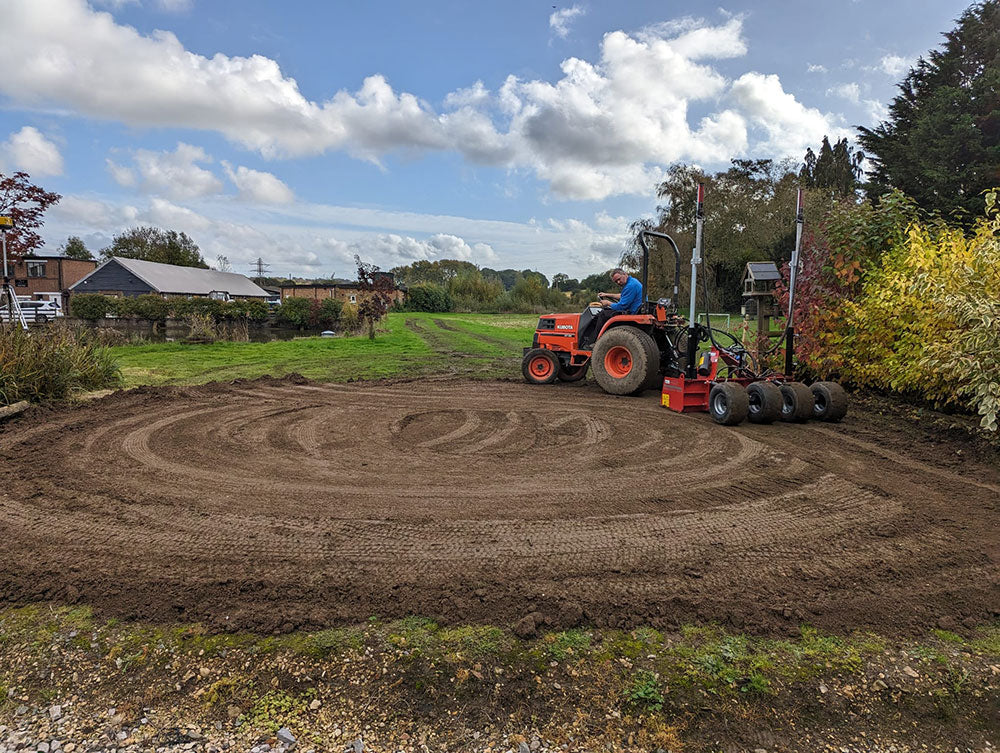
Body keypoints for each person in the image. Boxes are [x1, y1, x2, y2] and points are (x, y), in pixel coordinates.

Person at [580, 268, 644, 348]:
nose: (618, 282)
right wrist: (607, 295)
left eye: (619, 279)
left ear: (624, 274)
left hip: (631, 312)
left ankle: (594, 342)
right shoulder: (633, 282)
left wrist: (607, 303)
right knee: (604, 313)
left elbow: (621, 306)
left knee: (602, 315)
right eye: (616, 281)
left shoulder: (630, 286)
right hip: (634, 310)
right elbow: (623, 296)